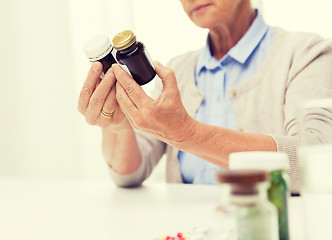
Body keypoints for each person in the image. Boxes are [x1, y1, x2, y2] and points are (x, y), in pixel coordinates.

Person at [77, 0, 332, 194]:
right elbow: (130, 173)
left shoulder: (306, 53)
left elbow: (315, 163)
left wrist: (187, 134)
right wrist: (117, 127)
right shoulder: (179, 69)